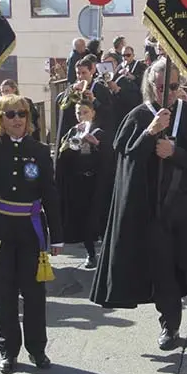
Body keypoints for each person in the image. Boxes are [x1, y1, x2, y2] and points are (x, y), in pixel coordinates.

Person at [90, 58, 187, 351]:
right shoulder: (139, 116)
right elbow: (127, 161)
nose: (164, 92)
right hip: (154, 212)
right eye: (157, 86)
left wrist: (176, 153)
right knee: (163, 269)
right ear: (149, 86)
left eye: (169, 86)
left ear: (178, 86)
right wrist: (150, 132)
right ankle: (170, 324)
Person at [0, 95, 64, 374]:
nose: (17, 119)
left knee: (34, 294)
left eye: (21, 114)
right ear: (0, 120)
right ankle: (8, 351)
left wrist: (58, 235)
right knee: (4, 293)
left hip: (31, 230)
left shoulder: (39, 151)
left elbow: (50, 193)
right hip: (0, 229)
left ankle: (37, 349)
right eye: (10, 114)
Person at [55, 100, 113, 268]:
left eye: (85, 112)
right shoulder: (72, 132)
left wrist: (96, 143)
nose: (82, 116)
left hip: (97, 182)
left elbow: (110, 158)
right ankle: (91, 254)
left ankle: (106, 252)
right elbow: (62, 159)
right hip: (79, 182)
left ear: (93, 113)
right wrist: (69, 144)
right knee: (84, 218)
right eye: (79, 113)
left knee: (100, 216)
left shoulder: (100, 133)